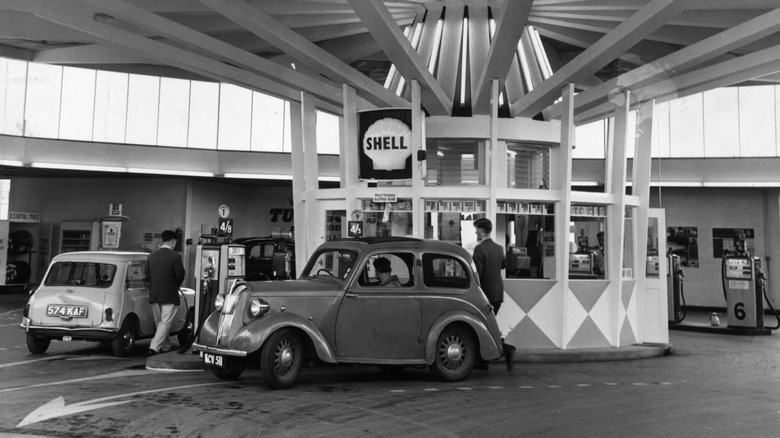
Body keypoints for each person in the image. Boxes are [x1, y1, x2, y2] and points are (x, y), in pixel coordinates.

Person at [473, 218, 515, 371]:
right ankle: (483, 360)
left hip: (485, 294)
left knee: (483, 328)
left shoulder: (479, 249)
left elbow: (476, 274)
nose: (475, 232)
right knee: (487, 327)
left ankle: (506, 350)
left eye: (476, 229)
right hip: (498, 293)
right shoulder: (498, 248)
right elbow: (503, 265)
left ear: (482, 230)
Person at [145, 229, 185, 356]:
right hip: (170, 294)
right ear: (173, 241)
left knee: (160, 324)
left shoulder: (151, 257)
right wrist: (175, 285)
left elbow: (147, 277)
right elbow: (180, 275)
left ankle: (166, 346)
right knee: (165, 323)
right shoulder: (175, 257)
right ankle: (154, 347)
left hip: (155, 294)